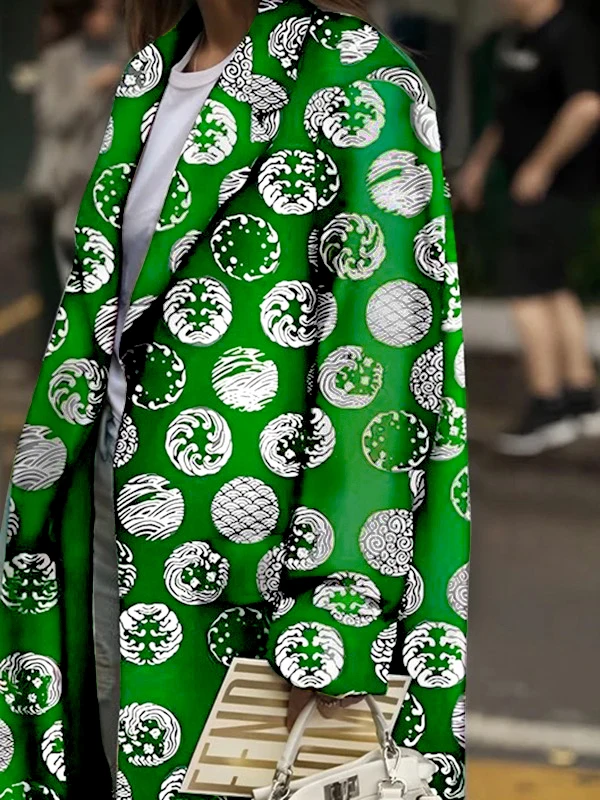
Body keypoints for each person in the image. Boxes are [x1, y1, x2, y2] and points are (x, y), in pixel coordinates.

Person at [0, 1, 470, 797]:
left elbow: (382, 358)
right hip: (108, 501)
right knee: (117, 764)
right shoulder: (154, 72)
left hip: (262, 562)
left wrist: (337, 609)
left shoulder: (358, 77)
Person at [456, 0, 600, 456]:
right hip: (524, 183)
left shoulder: (571, 34)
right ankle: (579, 396)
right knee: (552, 286)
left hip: (556, 189)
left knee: (525, 290)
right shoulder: (515, 38)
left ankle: (547, 404)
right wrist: (478, 166)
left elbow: (588, 106)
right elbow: (507, 112)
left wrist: (541, 165)